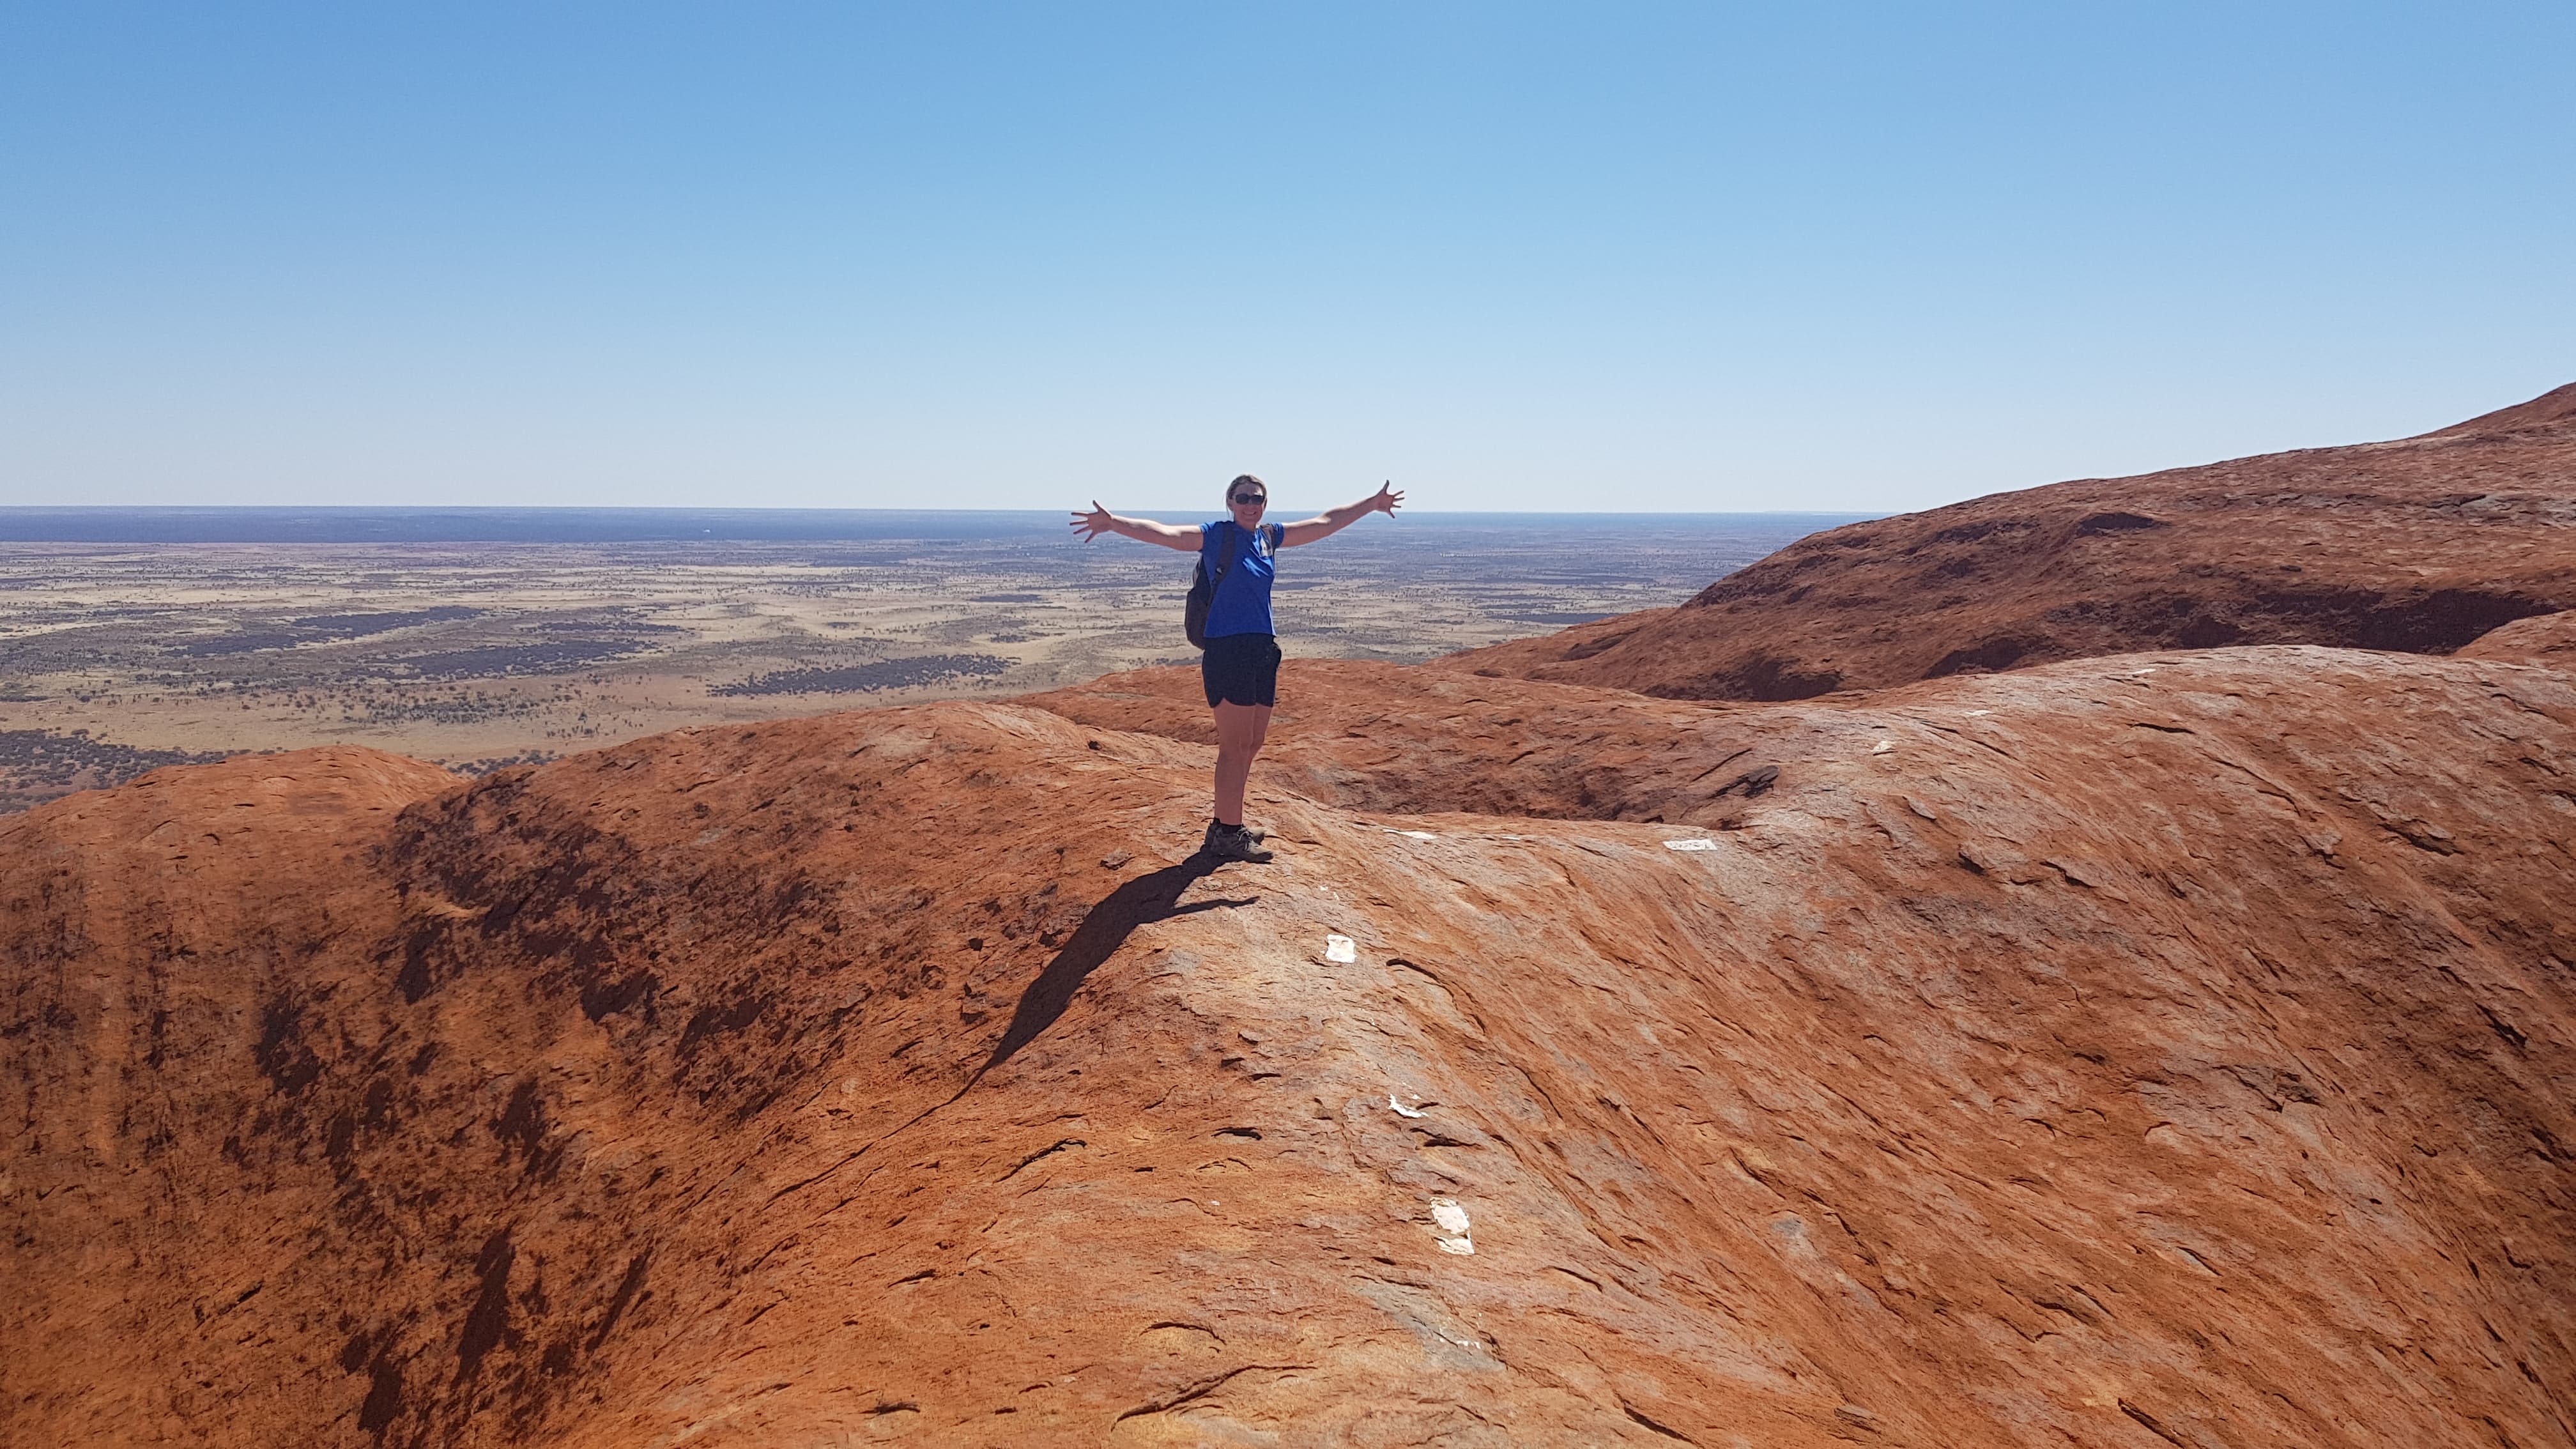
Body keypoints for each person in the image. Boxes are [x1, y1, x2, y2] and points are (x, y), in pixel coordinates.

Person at [1071, 474, 1403, 861]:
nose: (1250, 504)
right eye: (1242, 498)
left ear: (1265, 503)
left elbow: (1325, 523)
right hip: (1228, 650)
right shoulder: (1218, 536)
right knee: (1234, 746)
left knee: (1253, 743)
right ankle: (1229, 834)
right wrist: (1114, 523)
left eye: (1257, 498)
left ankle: (1225, 824)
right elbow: (1169, 535)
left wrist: (1372, 504)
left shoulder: (1269, 537)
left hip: (1262, 649)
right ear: (1230, 502)